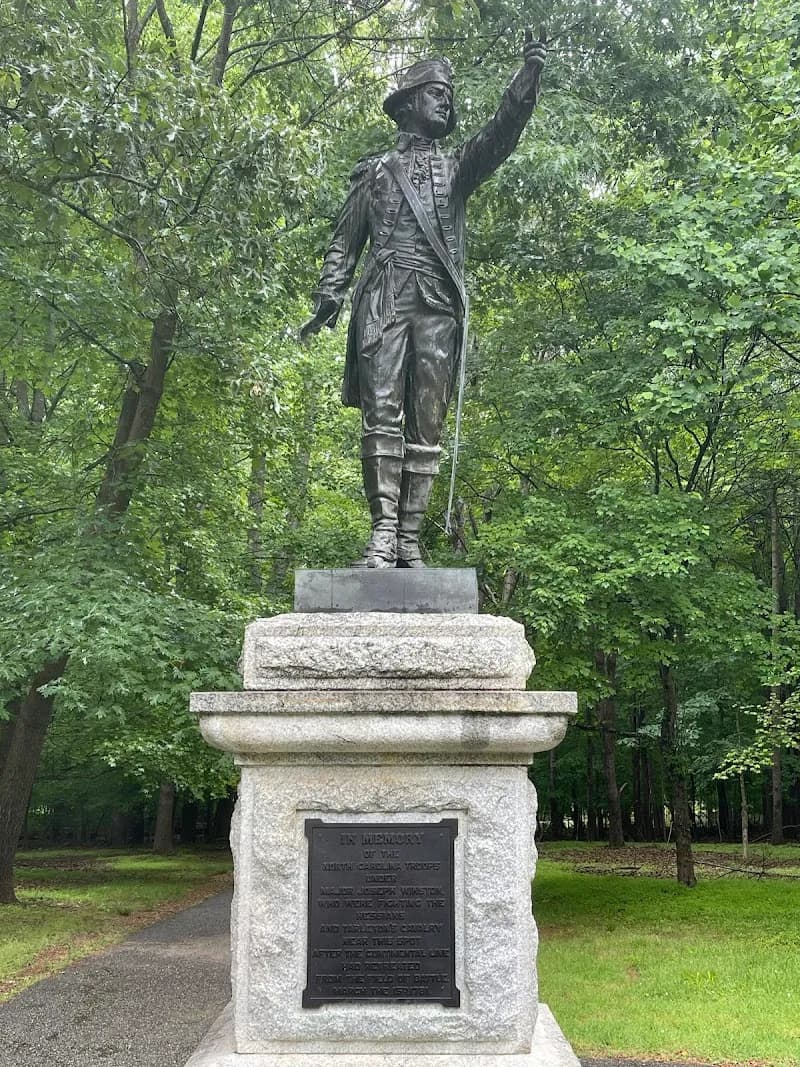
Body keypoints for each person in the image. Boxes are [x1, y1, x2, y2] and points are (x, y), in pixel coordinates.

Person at [301, 31, 547, 567]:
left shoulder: (458, 167)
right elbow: (345, 240)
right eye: (437, 93)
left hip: (436, 304)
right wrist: (329, 296)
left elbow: (501, 135)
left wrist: (527, 78)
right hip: (384, 299)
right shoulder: (375, 173)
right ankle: (383, 532)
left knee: (427, 422)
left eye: (449, 95)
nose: (447, 102)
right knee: (380, 415)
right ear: (409, 103)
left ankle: (410, 537)